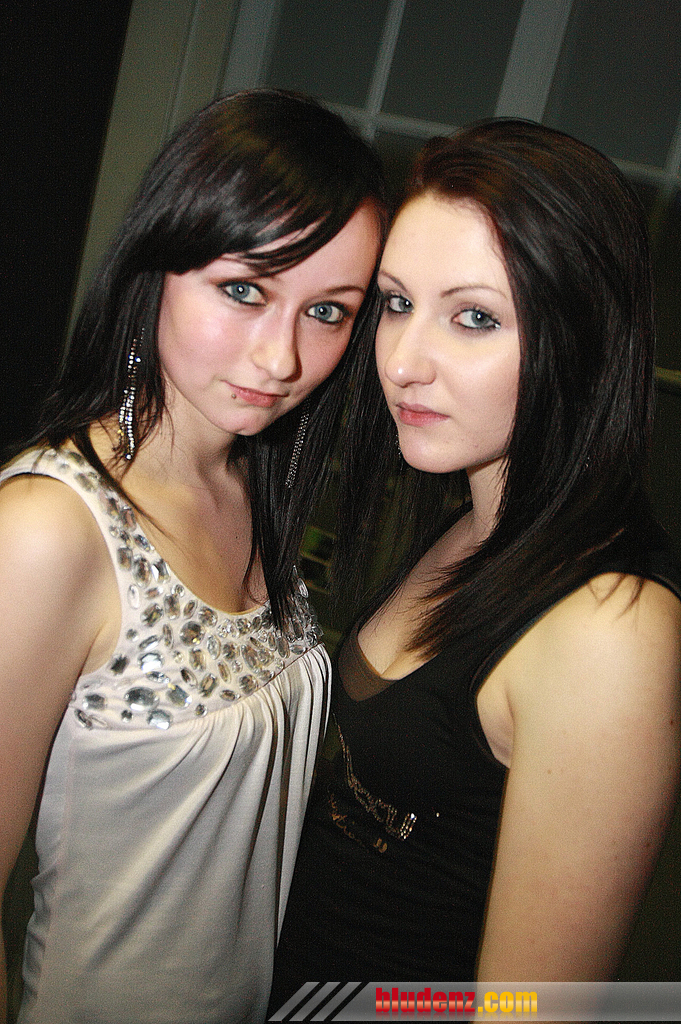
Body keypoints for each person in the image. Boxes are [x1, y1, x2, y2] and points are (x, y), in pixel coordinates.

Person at [270, 119, 681, 1003]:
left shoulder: (608, 629)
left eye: (475, 318)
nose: (402, 363)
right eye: (395, 304)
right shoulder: (469, 524)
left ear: (581, 336)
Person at [0, 89, 387, 1024]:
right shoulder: (50, 529)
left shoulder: (248, 485)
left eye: (327, 311)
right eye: (244, 290)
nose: (281, 357)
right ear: (158, 265)